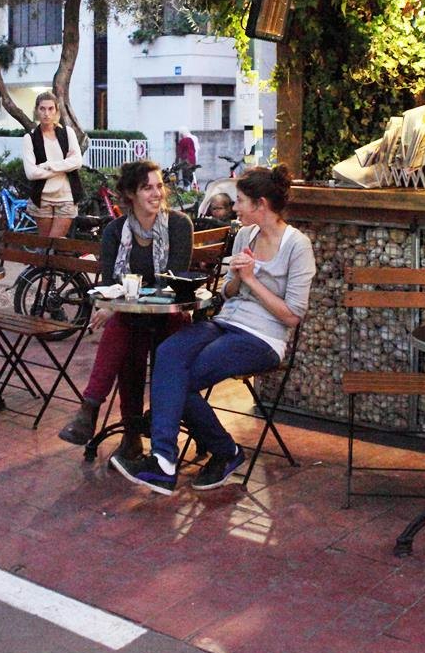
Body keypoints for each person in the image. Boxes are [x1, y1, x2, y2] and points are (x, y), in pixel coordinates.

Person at [113, 165, 314, 495]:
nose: (234, 208)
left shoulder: (297, 246)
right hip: (225, 322)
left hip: (262, 338)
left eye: (240, 201)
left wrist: (251, 279)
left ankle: (224, 451)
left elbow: (292, 316)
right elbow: (227, 294)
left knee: (181, 380)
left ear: (260, 204)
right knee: (169, 353)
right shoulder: (245, 236)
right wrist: (235, 280)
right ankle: (164, 459)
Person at [57, 160, 194, 458]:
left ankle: (95, 411)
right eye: (147, 187)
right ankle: (128, 432)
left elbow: (172, 280)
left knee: (121, 326)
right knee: (125, 336)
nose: (156, 193)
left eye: (159, 186)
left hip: (169, 315)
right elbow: (110, 284)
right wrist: (117, 302)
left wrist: (121, 300)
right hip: (133, 316)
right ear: (130, 194)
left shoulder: (179, 225)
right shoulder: (115, 232)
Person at [21, 91, 84, 238]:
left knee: (55, 242)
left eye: (50, 109)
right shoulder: (29, 138)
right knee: (45, 246)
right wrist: (64, 166)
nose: (46, 113)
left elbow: (77, 162)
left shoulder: (67, 133)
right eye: (42, 109)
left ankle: (44, 261)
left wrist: (48, 165)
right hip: (42, 198)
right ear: (37, 110)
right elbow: (31, 173)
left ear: (56, 111)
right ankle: (40, 262)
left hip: (66, 197)